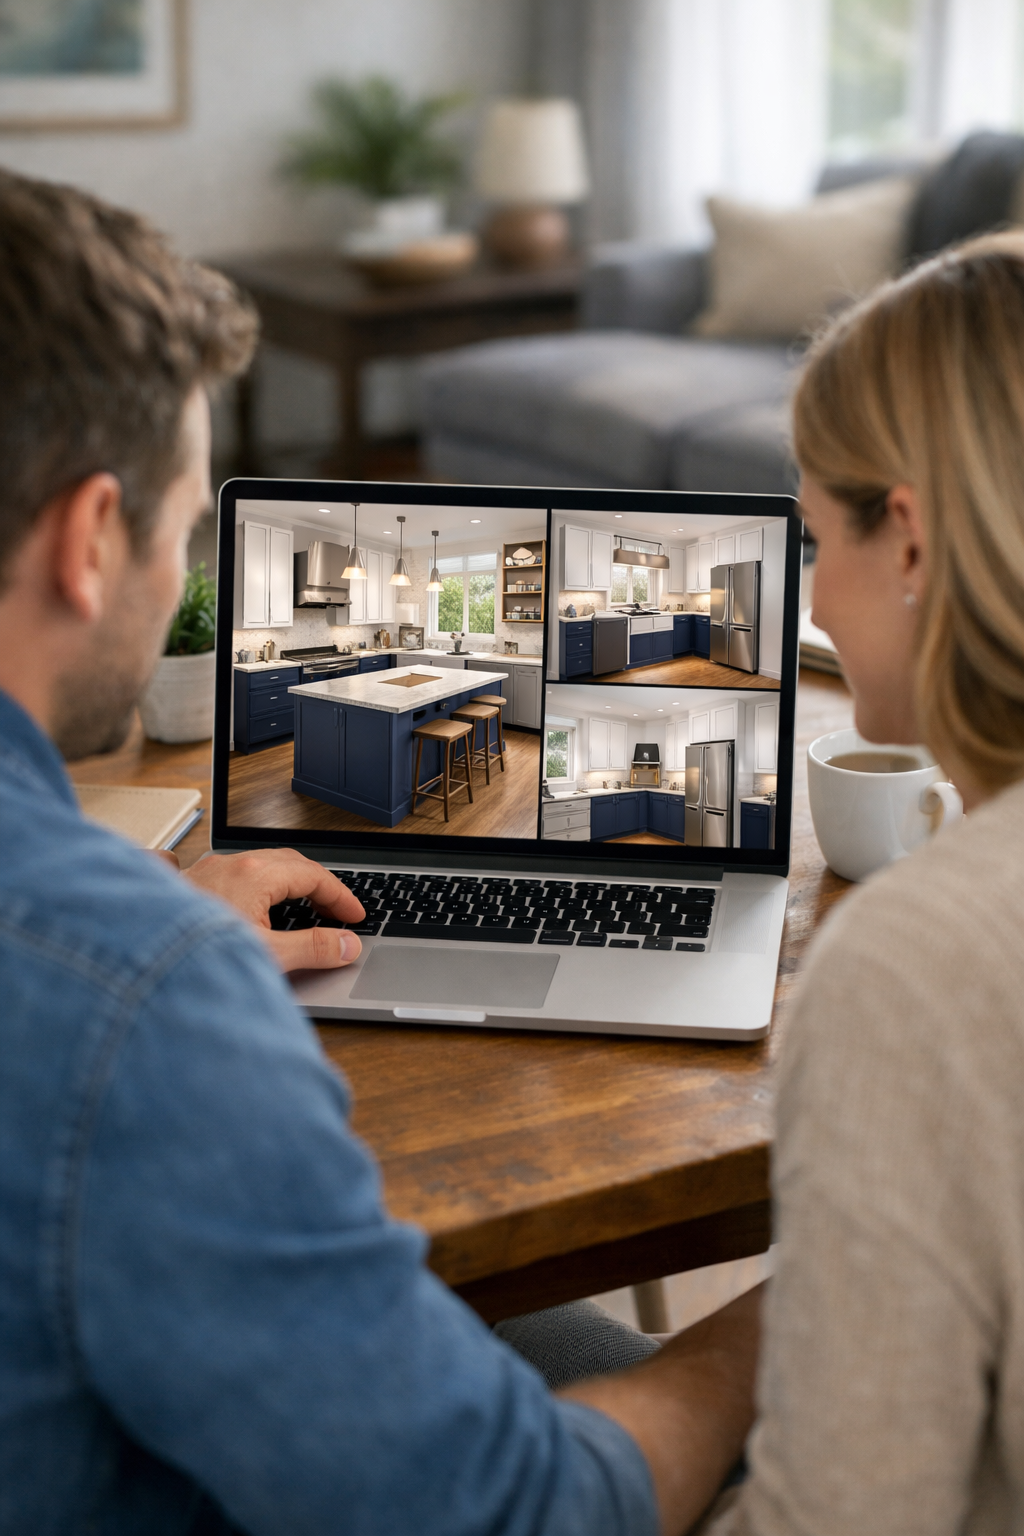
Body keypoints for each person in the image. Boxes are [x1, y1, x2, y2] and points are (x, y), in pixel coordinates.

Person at [0, 169, 762, 1535]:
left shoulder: (110, 958)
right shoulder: (136, 995)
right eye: (184, 529)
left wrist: (136, 933)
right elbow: (514, 1513)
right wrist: (771, 1340)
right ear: (91, 540)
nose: (184, 576)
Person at [698, 230, 1024, 1534]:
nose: (813, 597)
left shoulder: (922, 960)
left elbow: (840, 1515)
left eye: (815, 533)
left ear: (912, 540)